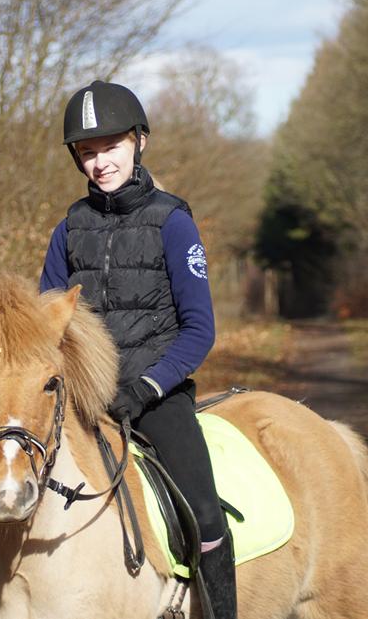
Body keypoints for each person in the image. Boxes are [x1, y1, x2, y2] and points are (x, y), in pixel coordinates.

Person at [39, 80, 235, 619]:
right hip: (83, 402)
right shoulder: (67, 230)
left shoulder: (174, 223)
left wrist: (147, 387)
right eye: (87, 152)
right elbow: (47, 327)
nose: (100, 162)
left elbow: (199, 330)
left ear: (139, 142)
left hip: (157, 396)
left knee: (205, 517)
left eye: (111, 147)